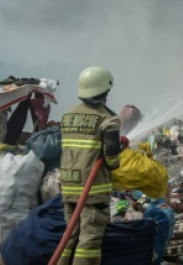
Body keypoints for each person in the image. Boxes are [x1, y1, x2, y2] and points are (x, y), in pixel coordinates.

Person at [58, 66, 122, 265]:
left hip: (68, 185)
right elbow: (112, 160)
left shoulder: (68, 116)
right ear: (105, 90)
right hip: (92, 191)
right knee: (90, 241)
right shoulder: (108, 119)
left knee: (69, 237)